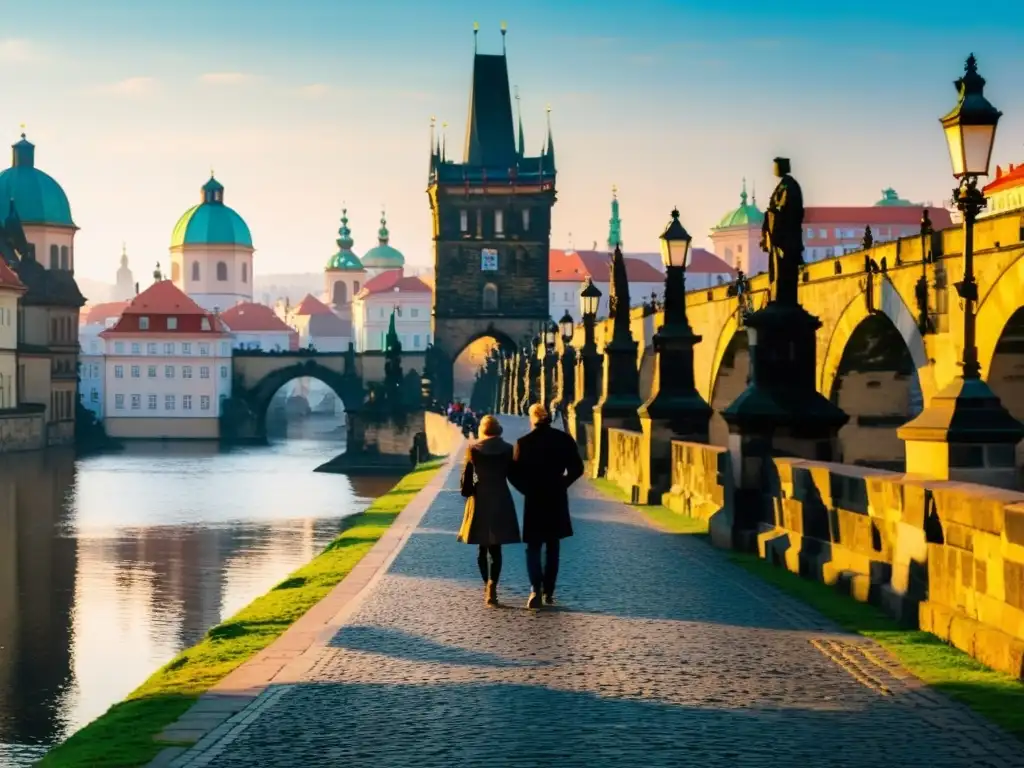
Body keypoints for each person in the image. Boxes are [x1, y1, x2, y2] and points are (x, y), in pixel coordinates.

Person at [510, 403, 584, 609]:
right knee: (553, 545)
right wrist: (563, 483)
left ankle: (535, 588)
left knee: (533, 545)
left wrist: (526, 489)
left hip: (534, 497)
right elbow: (578, 468)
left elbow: (513, 473)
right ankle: (549, 590)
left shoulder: (524, 443)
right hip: (556, 495)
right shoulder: (564, 440)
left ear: (532, 418)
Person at [457, 415, 521, 606]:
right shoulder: (508, 449)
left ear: (483, 430)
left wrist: (468, 491)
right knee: (497, 547)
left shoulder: (473, 449)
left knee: (482, 546)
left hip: (480, 497)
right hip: (501, 495)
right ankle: (493, 584)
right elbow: (514, 475)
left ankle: (487, 585)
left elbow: (467, 479)